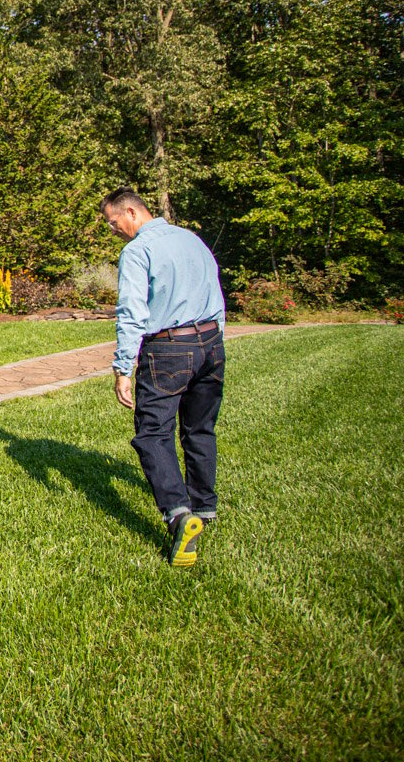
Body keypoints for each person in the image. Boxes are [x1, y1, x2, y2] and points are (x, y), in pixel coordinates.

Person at [101, 187, 227, 568]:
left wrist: (124, 367)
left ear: (131, 213)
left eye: (112, 222)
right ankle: (204, 507)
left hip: (169, 348)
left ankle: (178, 513)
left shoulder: (137, 251)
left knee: (152, 433)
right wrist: (216, 336)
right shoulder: (192, 239)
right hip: (210, 342)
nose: (113, 230)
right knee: (200, 428)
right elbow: (215, 290)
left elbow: (132, 312)